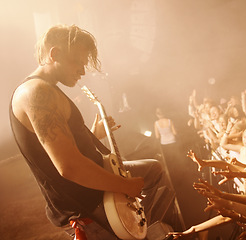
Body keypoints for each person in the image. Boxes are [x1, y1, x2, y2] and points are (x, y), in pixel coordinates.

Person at [9, 24, 171, 240]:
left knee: (154, 171)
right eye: (78, 62)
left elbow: (64, 147)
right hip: (85, 203)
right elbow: (70, 167)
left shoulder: (47, 90)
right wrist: (124, 186)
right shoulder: (37, 93)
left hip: (92, 192)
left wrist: (93, 135)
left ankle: (138, 227)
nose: (83, 71)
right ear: (55, 54)